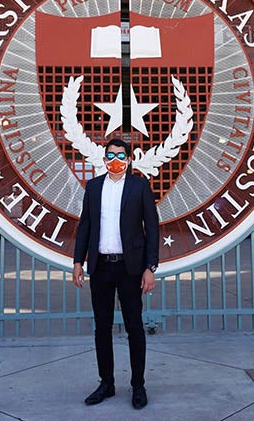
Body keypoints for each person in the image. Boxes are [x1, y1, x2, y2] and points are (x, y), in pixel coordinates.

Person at [73, 138, 159, 409]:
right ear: (103, 158)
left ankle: (138, 385)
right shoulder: (94, 187)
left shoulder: (139, 186)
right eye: (110, 155)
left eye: (121, 155)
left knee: (135, 327)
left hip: (130, 268)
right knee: (102, 328)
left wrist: (150, 267)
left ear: (130, 159)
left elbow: (152, 228)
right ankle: (106, 383)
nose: (115, 160)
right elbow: (85, 225)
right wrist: (78, 261)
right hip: (101, 268)